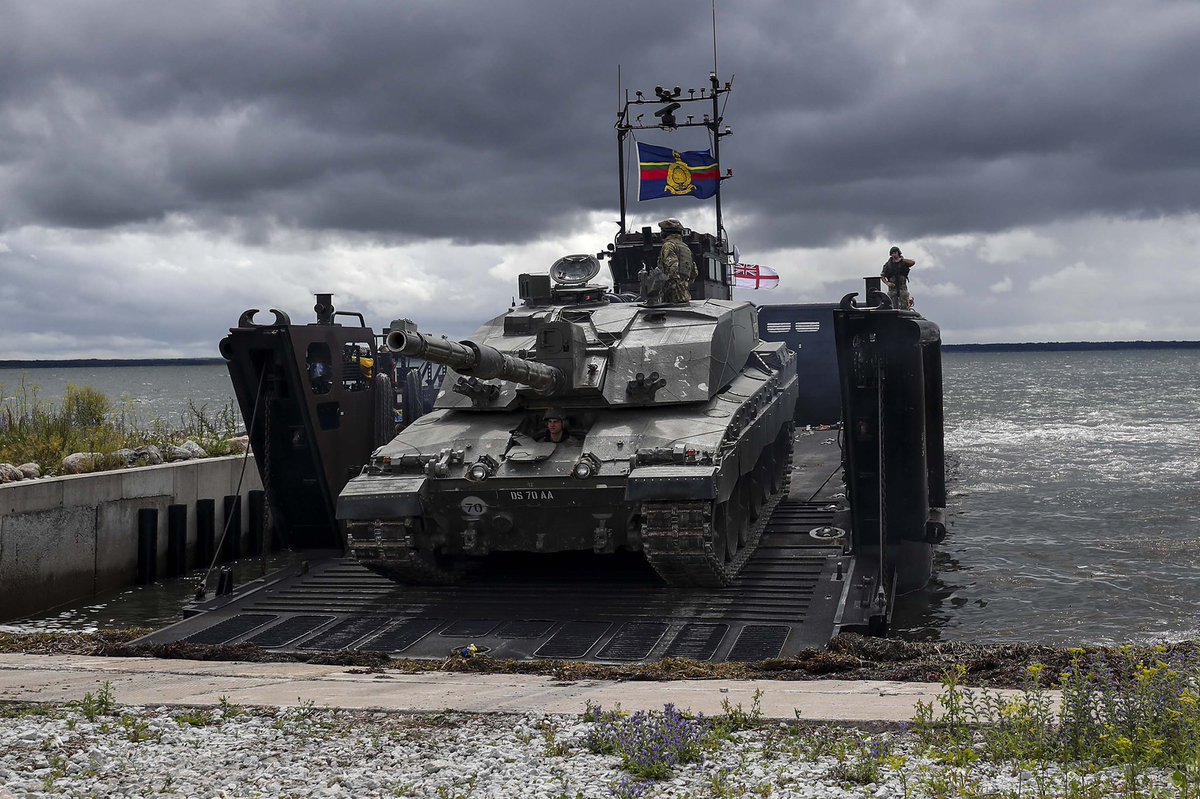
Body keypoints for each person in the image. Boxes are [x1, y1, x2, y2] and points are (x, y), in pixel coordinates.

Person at [657, 218, 697, 303]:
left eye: (662, 230)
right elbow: (694, 273)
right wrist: (684, 284)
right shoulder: (685, 247)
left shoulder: (669, 245)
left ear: (666, 232)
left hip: (672, 296)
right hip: (685, 295)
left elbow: (672, 269)